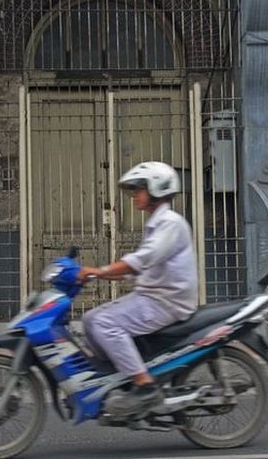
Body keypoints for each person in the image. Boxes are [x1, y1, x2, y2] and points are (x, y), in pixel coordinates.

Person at [77, 161, 198, 415]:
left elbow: (143, 259)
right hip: (154, 296)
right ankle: (119, 376)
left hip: (166, 302)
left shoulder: (170, 224)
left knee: (103, 323)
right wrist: (104, 275)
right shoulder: (158, 222)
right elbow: (148, 267)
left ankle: (145, 386)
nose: (134, 195)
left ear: (156, 190)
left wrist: (102, 271)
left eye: (139, 189)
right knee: (89, 319)